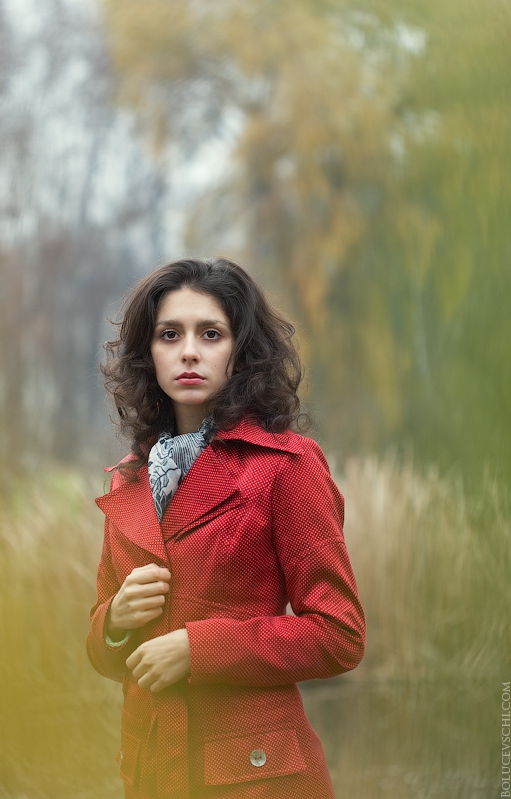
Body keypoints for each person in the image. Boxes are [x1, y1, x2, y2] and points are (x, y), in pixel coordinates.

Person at [87, 257, 365, 799]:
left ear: (240, 352)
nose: (189, 351)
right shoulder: (131, 478)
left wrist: (200, 649)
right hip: (151, 771)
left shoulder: (287, 464)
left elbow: (340, 635)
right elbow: (104, 653)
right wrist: (115, 621)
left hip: (255, 776)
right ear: (150, 352)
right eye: (170, 334)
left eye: (210, 333)